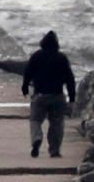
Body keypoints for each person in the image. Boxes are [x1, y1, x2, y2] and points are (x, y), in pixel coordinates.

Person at [23, 30, 78, 158]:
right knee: (57, 123)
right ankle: (54, 150)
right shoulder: (62, 58)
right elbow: (70, 79)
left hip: (40, 95)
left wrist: (25, 87)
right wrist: (72, 98)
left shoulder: (36, 56)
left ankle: (36, 138)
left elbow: (27, 73)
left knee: (35, 120)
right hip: (57, 95)